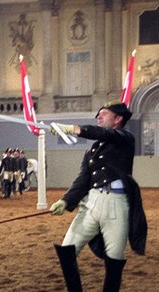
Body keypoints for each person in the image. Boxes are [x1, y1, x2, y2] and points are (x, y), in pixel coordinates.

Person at [49, 100, 147, 292]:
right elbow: (82, 180)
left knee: (114, 260)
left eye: (103, 113)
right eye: (98, 114)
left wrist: (73, 129)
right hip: (90, 205)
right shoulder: (92, 151)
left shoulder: (125, 138)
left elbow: (102, 133)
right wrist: (65, 200)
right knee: (67, 251)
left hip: (116, 207)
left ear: (118, 118)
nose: (98, 117)